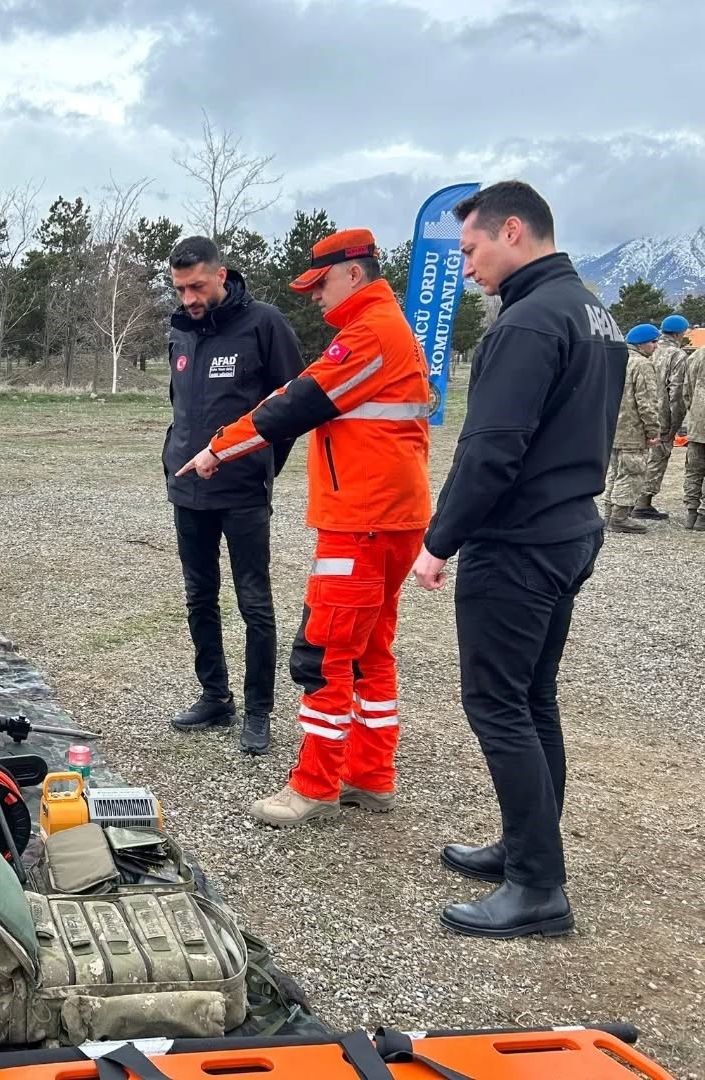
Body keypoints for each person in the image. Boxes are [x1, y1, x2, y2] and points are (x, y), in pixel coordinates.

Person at [411, 181, 625, 939]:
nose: (466, 267)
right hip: (569, 528)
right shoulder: (590, 309)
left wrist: (440, 540)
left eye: (470, 250)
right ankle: (526, 846)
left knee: (499, 705)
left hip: (522, 541)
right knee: (533, 701)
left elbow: (491, 449)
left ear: (511, 230)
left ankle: (538, 886)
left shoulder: (530, 321)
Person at [177, 229, 431, 826]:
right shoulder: (388, 329)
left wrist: (219, 448)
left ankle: (314, 785)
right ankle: (371, 774)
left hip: (362, 520)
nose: (315, 296)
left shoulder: (370, 333)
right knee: (371, 650)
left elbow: (294, 400)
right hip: (392, 515)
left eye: (321, 283)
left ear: (355, 275)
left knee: (323, 654)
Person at [163, 235, 304, 754]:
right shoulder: (180, 331)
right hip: (187, 491)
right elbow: (180, 407)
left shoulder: (264, 324)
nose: (189, 299)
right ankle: (214, 696)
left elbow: (293, 408)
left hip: (242, 492)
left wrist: (263, 468)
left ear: (222, 275)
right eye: (180, 289)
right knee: (200, 595)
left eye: (197, 286)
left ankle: (259, 709)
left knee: (253, 602)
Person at [601, 326, 661, 535]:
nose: (655, 346)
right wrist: (653, 430)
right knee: (632, 473)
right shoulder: (642, 364)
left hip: (613, 427)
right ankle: (620, 517)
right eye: (653, 342)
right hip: (633, 429)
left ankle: (609, 513)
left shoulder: (614, 360)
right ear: (641, 343)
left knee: (615, 472)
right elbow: (647, 402)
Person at [636, 314, 691, 520]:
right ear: (679, 333)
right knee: (658, 456)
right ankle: (643, 502)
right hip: (662, 415)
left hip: (638, 411)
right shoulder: (677, 356)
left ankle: (628, 498)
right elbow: (676, 393)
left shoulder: (648, 349)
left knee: (638, 456)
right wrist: (675, 423)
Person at [682, 339, 705, 530]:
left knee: (693, 469)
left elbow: (686, 390)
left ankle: (691, 513)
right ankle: (703, 517)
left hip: (697, 421)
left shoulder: (696, 355)